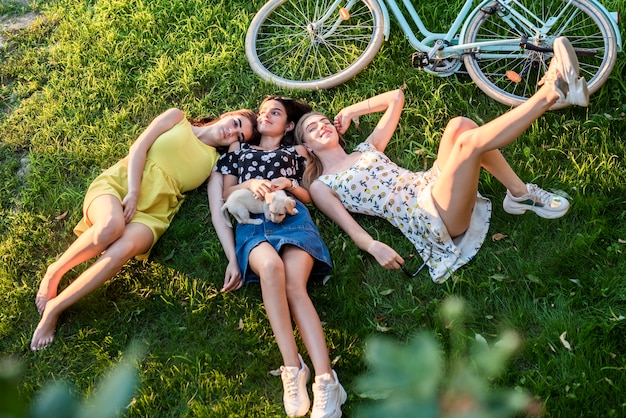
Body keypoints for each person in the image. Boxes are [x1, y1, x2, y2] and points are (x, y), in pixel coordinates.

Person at [295, 37, 588, 283]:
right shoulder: (322, 185)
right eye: (312, 128)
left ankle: (520, 196)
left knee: (460, 125)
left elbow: (396, 98)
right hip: (428, 215)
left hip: (430, 184)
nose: (321, 126)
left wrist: (351, 111)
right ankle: (552, 91)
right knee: (468, 144)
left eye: (323, 121)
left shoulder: (366, 149)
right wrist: (373, 247)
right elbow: (350, 227)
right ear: (305, 146)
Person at [31, 107, 257, 351]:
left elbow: (217, 211)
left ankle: (56, 307)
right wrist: (133, 192)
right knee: (111, 226)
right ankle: (55, 271)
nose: (232, 132)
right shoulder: (177, 118)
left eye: (239, 136)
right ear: (227, 114)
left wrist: (233, 259)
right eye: (235, 123)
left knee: (123, 249)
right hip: (121, 186)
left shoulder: (215, 165)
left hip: (153, 214)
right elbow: (138, 147)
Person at [210, 96, 347, 418]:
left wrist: (288, 183)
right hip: (252, 224)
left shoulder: (296, 152)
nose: (265, 116)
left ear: (288, 125)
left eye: (275, 112)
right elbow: (227, 194)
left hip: (293, 217)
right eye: (261, 112)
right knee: (270, 268)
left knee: (294, 288)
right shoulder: (238, 151)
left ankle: (327, 381)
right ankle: (292, 367)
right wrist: (252, 182)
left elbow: (308, 197)